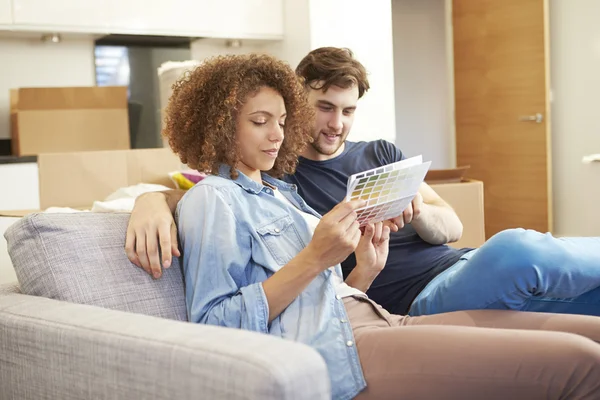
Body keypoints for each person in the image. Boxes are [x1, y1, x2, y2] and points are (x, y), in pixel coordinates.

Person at [163, 52, 600, 400]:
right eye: (261, 122)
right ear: (219, 126)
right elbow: (214, 326)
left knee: (591, 339)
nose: (277, 135)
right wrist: (316, 257)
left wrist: (363, 271)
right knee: (580, 357)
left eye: (281, 121)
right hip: (344, 342)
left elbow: (328, 292)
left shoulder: (282, 196)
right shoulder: (214, 197)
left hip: (378, 314)